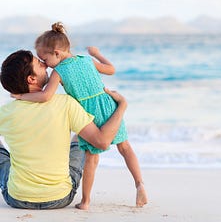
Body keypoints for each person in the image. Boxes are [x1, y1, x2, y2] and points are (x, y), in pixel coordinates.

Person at [12, 22, 148, 210]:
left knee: (91, 158)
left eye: (44, 59)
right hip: (108, 104)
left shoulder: (58, 72)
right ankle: (139, 183)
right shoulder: (86, 60)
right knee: (125, 147)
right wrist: (96, 54)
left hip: (88, 114)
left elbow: (45, 96)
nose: (44, 64)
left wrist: (21, 96)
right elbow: (111, 69)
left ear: (57, 53)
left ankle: (85, 201)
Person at [0, 49, 127, 209]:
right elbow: (102, 142)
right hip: (60, 197)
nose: (46, 65)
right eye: (39, 64)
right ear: (31, 79)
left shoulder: (6, 113)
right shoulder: (65, 103)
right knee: (80, 138)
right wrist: (122, 106)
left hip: (17, 198)